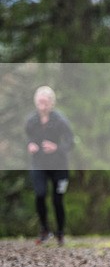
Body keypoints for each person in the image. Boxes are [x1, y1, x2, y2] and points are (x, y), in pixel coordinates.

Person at [25, 86, 74, 246]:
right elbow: (29, 138)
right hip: (39, 164)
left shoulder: (60, 120)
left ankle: (60, 232)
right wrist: (30, 145)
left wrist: (56, 148)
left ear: (51, 103)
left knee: (57, 200)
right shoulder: (31, 121)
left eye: (45, 102)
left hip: (59, 165)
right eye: (40, 102)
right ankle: (44, 230)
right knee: (40, 194)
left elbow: (70, 142)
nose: (42, 106)